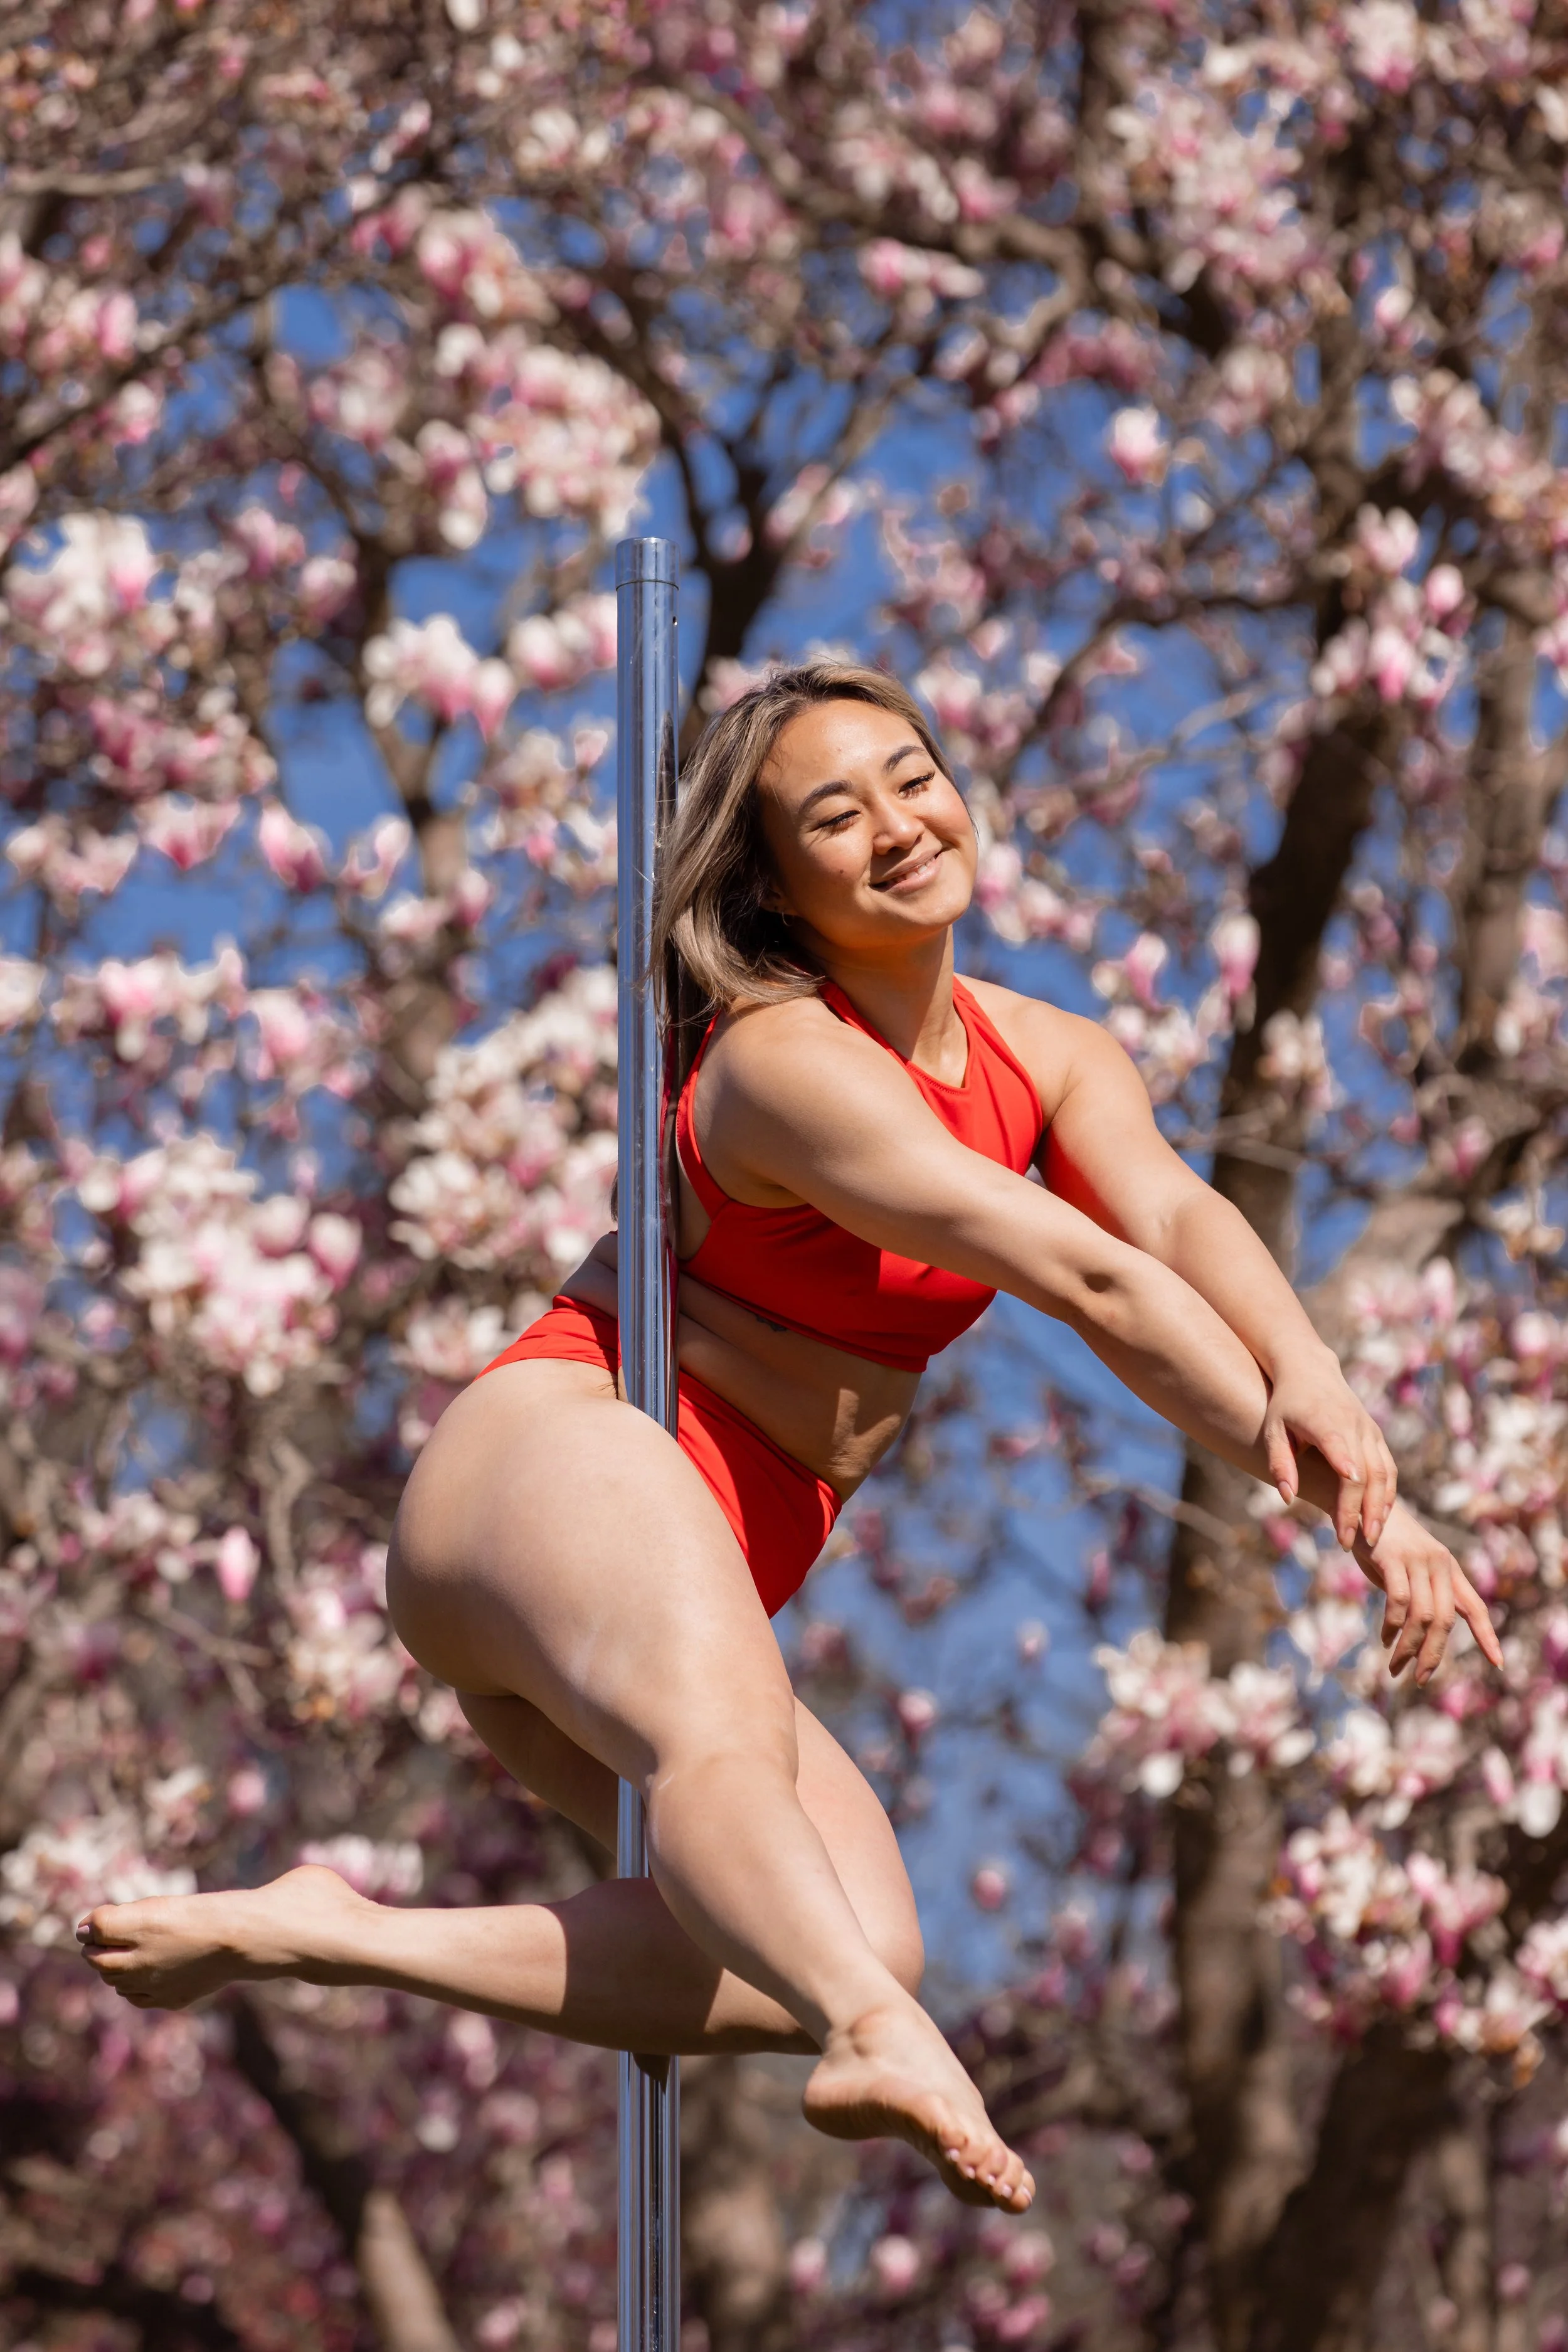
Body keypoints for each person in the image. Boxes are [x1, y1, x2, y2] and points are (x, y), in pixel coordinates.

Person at [77, 662, 1502, 2215]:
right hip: (562, 1462)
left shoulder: (1050, 1053)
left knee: (834, 1939)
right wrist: (1350, 1506)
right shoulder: (777, 1060)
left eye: (912, 777)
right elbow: (1086, 1273)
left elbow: (1166, 1217)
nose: (897, 825)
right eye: (836, 813)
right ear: (769, 882)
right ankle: (878, 2039)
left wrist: (1327, 1404)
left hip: (686, 1571)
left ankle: (336, 1933)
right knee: (794, 1877)